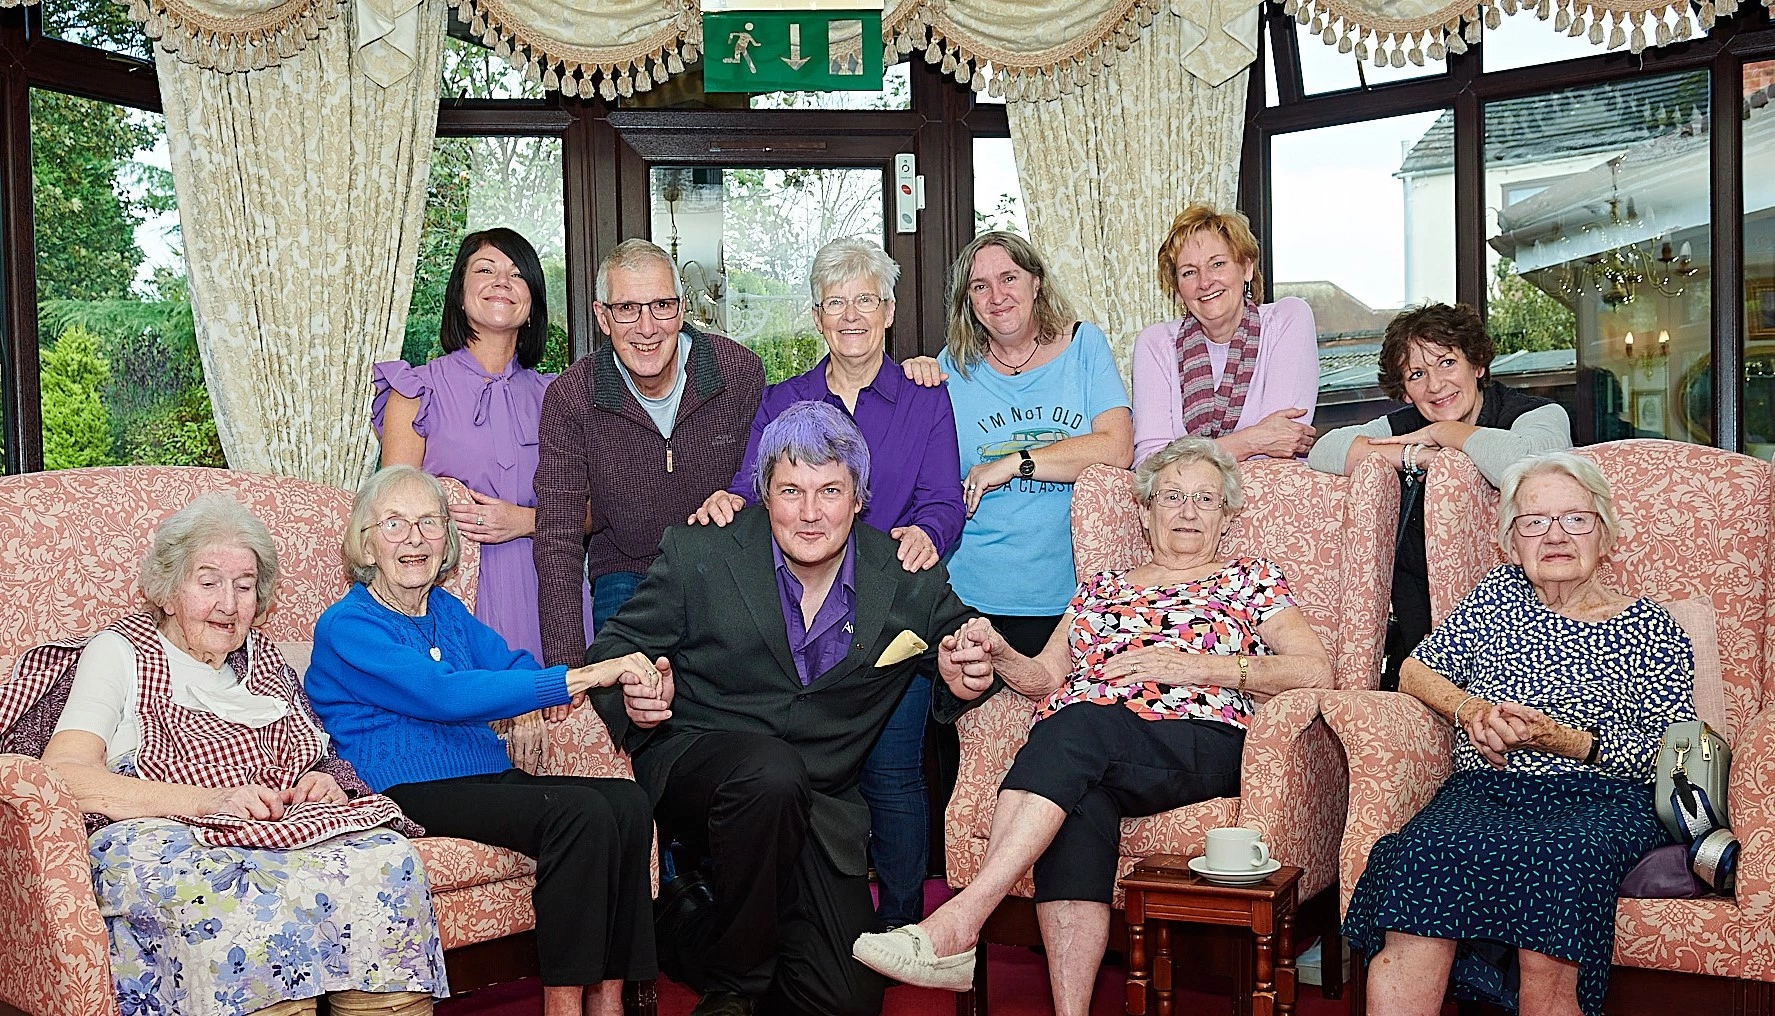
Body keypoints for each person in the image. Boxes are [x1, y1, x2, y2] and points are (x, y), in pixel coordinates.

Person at [852, 436, 1333, 1016]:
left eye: (1204, 500)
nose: (1186, 511)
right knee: (1079, 806)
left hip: (1198, 738)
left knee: (1078, 726)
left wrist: (1194, 666)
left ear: (1226, 515)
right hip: (1090, 746)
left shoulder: (1249, 580)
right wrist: (1003, 653)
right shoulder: (1102, 587)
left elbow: (1315, 668)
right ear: (1144, 508)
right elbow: (1047, 675)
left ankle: (961, 921)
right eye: (1173, 497)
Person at [587, 401, 992, 1016]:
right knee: (768, 773)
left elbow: (963, 644)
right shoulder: (705, 553)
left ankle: (681, 925)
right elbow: (614, 650)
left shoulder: (904, 577)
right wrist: (637, 694)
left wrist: (964, 678)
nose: (809, 513)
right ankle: (736, 992)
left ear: (859, 499)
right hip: (702, 770)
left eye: (830, 490)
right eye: (790, 491)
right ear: (764, 495)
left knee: (846, 999)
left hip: (819, 807)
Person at [0, 495, 445, 1016]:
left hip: (269, 828)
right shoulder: (118, 652)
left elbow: (311, 753)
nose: (228, 604)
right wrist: (211, 801)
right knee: (242, 891)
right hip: (160, 829)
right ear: (167, 592)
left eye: (244, 586)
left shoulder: (264, 660)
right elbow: (66, 773)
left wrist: (322, 781)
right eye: (208, 582)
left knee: (386, 860)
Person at [1341, 453, 1695, 1016]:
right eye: (1533, 522)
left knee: (1558, 862)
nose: (1554, 535)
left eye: (1574, 519)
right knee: (1418, 852)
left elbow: (1664, 753)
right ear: (1511, 542)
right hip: (1489, 790)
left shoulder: (1652, 626)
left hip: (1601, 799)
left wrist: (1555, 736)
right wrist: (1470, 709)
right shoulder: (1498, 597)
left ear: (1605, 534)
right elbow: (1414, 668)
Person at [306, 465, 659, 1016]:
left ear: (446, 537)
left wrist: (545, 695)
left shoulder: (445, 610)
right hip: (406, 788)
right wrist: (573, 678)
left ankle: (610, 1000)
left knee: (628, 802)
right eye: (394, 524)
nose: (415, 539)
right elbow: (442, 694)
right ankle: (564, 1008)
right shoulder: (346, 625)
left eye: (428, 523)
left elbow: (508, 663)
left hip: (480, 774)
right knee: (579, 813)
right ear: (367, 543)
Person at [690, 236, 964, 932]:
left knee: (893, 773)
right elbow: (752, 489)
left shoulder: (925, 399)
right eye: (835, 302)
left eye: (863, 300)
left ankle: (903, 927)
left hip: (892, 617)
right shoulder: (785, 400)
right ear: (816, 317)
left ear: (889, 310)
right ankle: (803, 922)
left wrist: (928, 534)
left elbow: (942, 500)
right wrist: (728, 502)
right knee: (794, 775)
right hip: (797, 625)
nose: (850, 315)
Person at [373, 227, 595, 767]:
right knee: (469, 756)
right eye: (486, 270)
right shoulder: (415, 389)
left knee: (569, 760)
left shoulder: (560, 396)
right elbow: (391, 512)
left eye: (518, 273)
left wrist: (525, 520)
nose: (503, 282)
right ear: (460, 290)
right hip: (453, 595)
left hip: (551, 593)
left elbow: (596, 513)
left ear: (533, 298)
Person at [1307, 303, 1571, 687]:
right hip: (1421, 625)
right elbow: (1325, 449)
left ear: (1477, 365)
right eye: (1417, 374)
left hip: (1528, 628)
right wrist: (1415, 453)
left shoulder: (1536, 413)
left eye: (1447, 362)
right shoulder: (1407, 424)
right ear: (1405, 389)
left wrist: (1445, 435)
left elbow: (1528, 466)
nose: (1435, 385)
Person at [534, 238, 765, 666]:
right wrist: (565, 673)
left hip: (724, 568)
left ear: (681, 308)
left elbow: (766, 487)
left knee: (728, 717)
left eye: (662, 305)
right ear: (602, 317)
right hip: (625, 570)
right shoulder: (570, 398)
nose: (647, 327)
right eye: (627, 308)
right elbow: (557, 534)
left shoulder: (739, 373)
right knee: (629, 711)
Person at [935, 230, 1133, 658]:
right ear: (968, 300)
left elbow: (1117, 447)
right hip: (971, 595)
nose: (996, 296)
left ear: (1036, 282)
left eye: (1009, 278)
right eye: (980, 286)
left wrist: (1014, 463)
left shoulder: (1085, 347)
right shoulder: (950, 367)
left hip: (1070, 596)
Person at [1131, 203, 1319, 466]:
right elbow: (1149, 464)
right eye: (1189, 272)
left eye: (1217, 264)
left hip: (1272, 497)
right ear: (1177, 287)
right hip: (1187, 504)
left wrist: (1185, 458)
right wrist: (1253, 440)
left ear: (1246, 268)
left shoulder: (1288, 319)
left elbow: (1283, 444)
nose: (1205, 282)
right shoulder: (1155, 343)